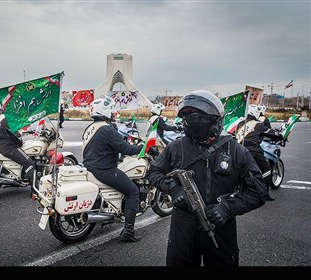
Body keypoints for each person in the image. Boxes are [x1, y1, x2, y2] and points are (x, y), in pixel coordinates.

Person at [147, 90, 268, 267]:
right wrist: (173, 189)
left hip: (220, 226)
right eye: (187, 119)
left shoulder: (236, 151)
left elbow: (258, 192)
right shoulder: (176, 148)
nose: (191, 123)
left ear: (214, 120)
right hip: (183, 228)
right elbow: (153, 172)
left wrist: (227, 208)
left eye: (197, 118)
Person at [82, 96, 158, 242]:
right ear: (105, 110)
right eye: (111, 110)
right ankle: (128, 231)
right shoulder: (106, 129)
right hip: (104, 169)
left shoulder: (91, 127)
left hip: (90, 167)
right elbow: (124, 148)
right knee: (133, 192)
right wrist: (143, 148)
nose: (113, 113)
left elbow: (106, 145)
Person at [235, 104, 283, 201]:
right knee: (266, 169)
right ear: (255, 113)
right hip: (253, 150)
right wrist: (280, 136)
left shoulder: (239, 123)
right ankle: (264, 194)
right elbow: (271, 133)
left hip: (238, 149)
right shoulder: (257, 124)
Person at [0, 113, 35, 188]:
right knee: (30, 164)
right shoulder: (8, 120)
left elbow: (8, 133)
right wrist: (20, 143)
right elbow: (15, 136)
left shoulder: (1, 117)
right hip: (8, 147)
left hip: (0, 144)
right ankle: (35, 189)